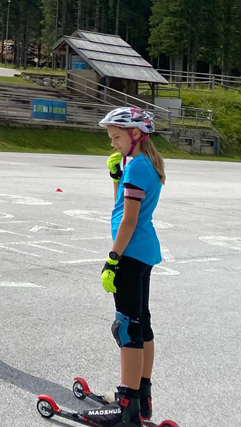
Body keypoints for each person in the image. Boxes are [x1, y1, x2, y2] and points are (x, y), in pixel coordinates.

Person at [88, 107, 166, 427]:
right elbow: (123, 205)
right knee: (141, 324)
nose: (113, 143)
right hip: (144, 252)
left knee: (126, 328)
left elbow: (129, 220)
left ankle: (127, 407)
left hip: (131, 255)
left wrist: (112, 259)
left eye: (117, 137)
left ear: (135, 135)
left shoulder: (137, 169)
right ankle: (142, 398)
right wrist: (118, 177)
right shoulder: (145, 165)